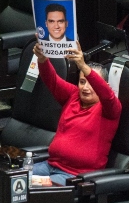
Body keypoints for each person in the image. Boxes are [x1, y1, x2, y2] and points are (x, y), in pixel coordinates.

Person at [31, 40, 122, 185]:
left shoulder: (110, 109)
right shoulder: (73, 95)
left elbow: (107, 95)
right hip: (49, 166)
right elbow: (52, 80)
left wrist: (83, 65)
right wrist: (42, 59)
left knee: (28, 186)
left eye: (91, 83)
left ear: (105, 85)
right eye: (82, 82)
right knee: (11, 178)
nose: (85, 87)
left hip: (76, 176)